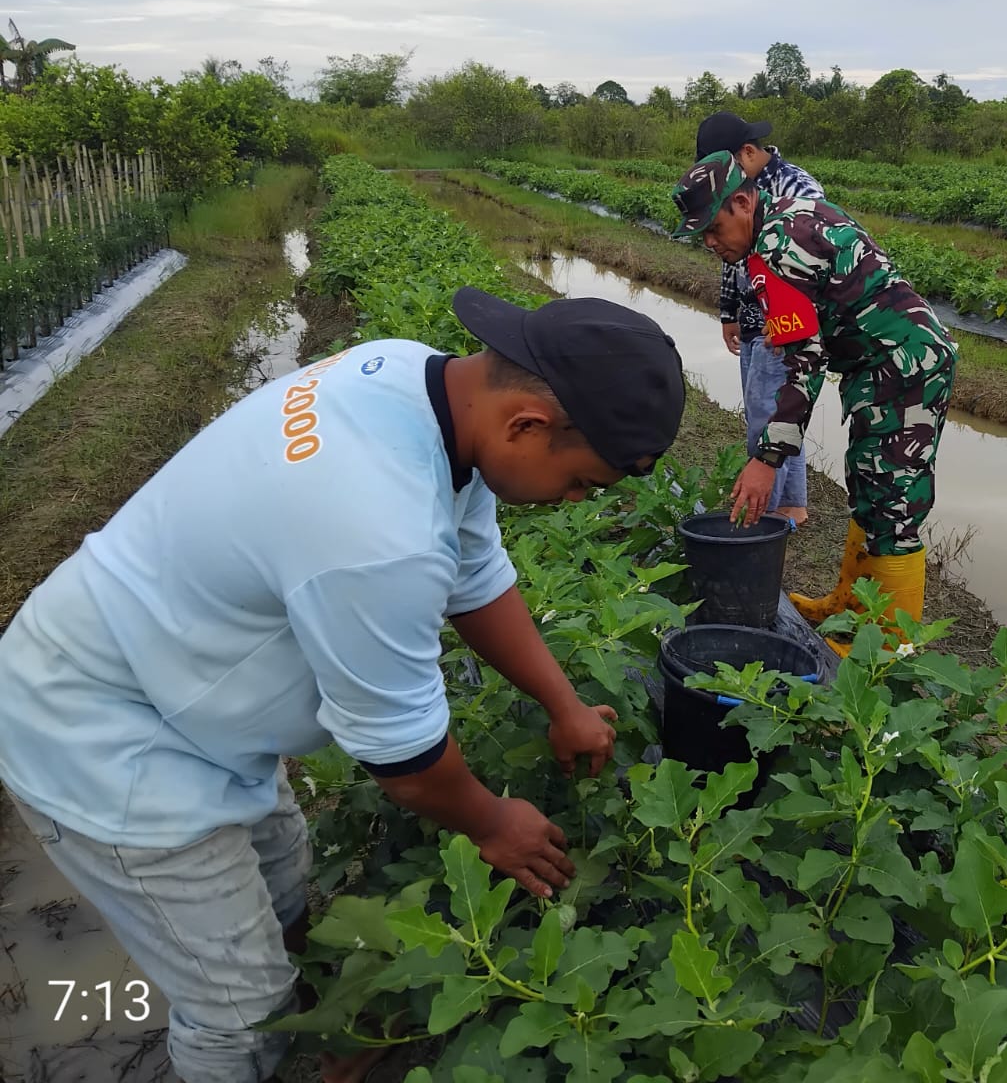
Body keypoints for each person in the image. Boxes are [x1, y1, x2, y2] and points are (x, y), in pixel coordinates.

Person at [0, 289, 685, 1083]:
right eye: (583, 483)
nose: (575, 502)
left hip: (175, 683)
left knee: (288, 881)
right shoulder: (379, 534)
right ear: (526, 424)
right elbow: (411, 765)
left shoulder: (413, 379)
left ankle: (314, 1022)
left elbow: (476, 573)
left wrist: (563, 704)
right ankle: (260, 1042)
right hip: (101, 733)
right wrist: (496, 823)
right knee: (235, 1013)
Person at [670, 150, 957, 649]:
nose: (711, 243)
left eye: (714, 229)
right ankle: (848, 602)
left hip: (905, 366)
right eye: (702, 237)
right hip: (880, 367)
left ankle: (888, 648)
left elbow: (803, 365)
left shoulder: (781, 251)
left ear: (742, 201)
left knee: (894, 503)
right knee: (868, 482)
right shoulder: (779, 224)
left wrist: (767, 458)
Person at [696, 110, 824, 527]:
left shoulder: (797, 190)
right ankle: (790, 506)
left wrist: (790, 318)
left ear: (747, 153)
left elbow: (808, 265)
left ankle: (764, 514)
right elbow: (732, 258)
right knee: (777, 409)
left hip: (784, 317)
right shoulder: (735, 197)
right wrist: (729, 310)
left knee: (769, 412)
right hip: (754, 316)